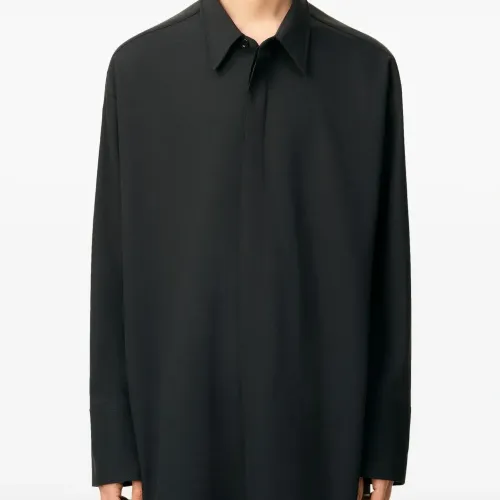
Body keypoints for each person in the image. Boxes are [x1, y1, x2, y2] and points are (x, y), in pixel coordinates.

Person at [89, 0, 412, 499]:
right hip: (178, 434)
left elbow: (389, 273)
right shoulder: (140, 71)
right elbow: (112, 266)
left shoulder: (366, 71)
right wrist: (114, 447)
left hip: (322, 438)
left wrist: (382, 446)